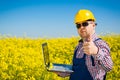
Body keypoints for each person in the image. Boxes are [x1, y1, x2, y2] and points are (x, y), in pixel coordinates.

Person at [55, 9, 113, 80]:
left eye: (85, 24)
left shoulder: (100, 44)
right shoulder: (78, 47)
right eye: (78, 25)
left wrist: (96, 51)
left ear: (93, 25)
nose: (81, 27)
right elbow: (78, 70)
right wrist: (65, 72)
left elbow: (109, 67)